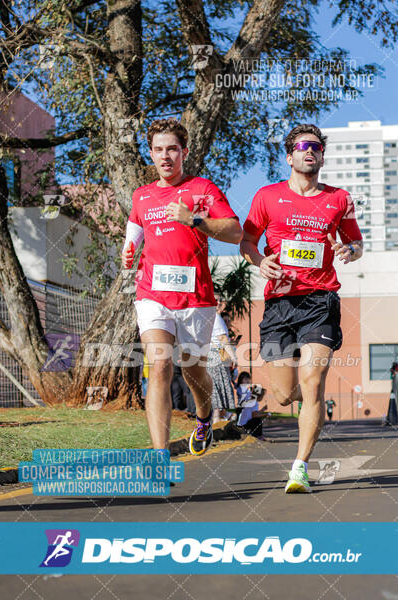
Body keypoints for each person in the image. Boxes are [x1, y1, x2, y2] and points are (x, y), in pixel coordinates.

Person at [241, 123, 363, 493]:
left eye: (316, 147)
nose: (309, 151)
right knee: (283, 394)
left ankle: (300, 468)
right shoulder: (267, 197)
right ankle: (308, 401)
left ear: (322, 156)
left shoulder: (339, 199)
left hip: (320, 300)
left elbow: (356, 242)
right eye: (302, 146)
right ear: (289, 155)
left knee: (312, 382)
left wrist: (350, 250)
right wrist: (259, 261)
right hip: (279, 303)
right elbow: (247, 241)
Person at [122, 117, 242, 456]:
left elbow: (234, 233)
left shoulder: (203, 189)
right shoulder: (142, 196)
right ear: (151, 154)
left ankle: (204, 417)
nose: (165, 157)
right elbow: (134, 231)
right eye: (158, 150)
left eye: (172, 149)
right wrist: (128, 251)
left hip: (195, 299)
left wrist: (195, 220)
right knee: (159, 364)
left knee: (194, 371)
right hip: (152, 294)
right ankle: (159, 456)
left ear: (183, 152)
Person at [206, 300, 236, 423]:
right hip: (217, 355)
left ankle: (222, 415)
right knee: (218, 386)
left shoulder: (207, 317)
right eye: (215, 301)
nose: (218, 303)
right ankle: (217, 418)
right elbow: (222, 338)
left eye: (220, 301)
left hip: (210, 355)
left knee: (216, 386)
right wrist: (233, 356)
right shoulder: (216, 318)